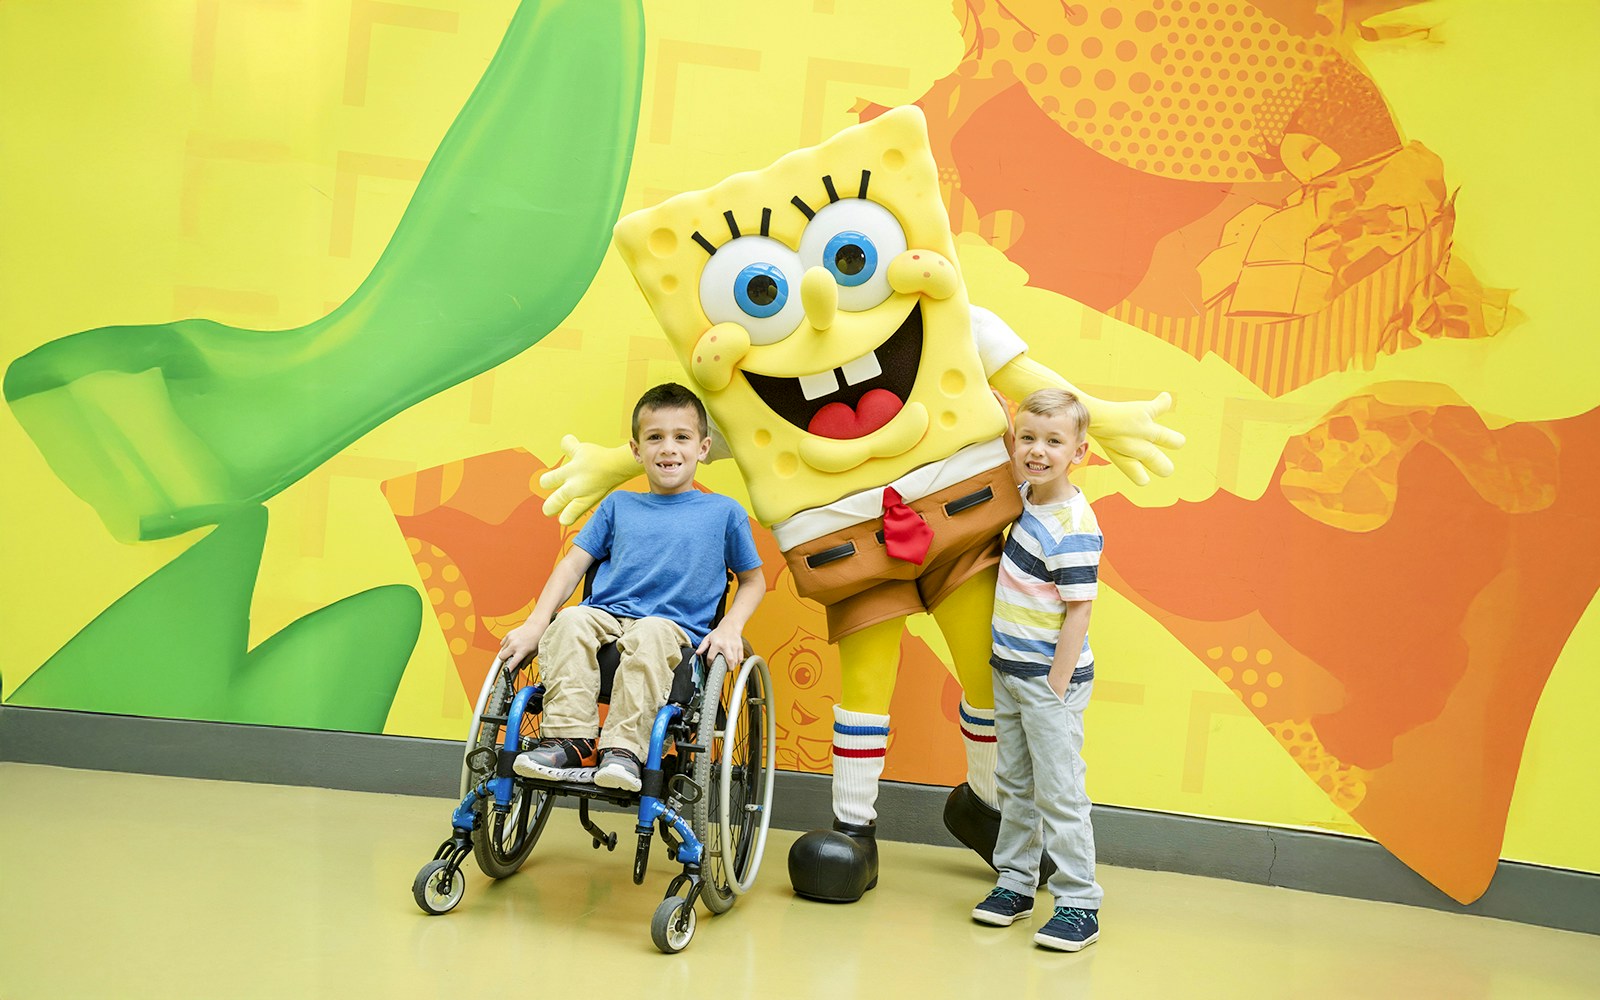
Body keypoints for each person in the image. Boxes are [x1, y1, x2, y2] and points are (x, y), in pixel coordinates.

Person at [496, 382, 764, 792]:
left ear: (704, 448)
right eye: (654, 438)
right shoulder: (618, 506)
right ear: (637, 451)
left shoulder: (724, 513)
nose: (668, 448)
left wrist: (730, 628)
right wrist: (536, 623)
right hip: (605, 617)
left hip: (672, 628)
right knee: (568, 622)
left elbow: (752, 581)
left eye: (681, 437)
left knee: (651, 633)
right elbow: (572, 567)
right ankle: (571, 740)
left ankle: (623, 750)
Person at [971, 388, 1104, 951]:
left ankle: (1078, 901)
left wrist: (1055, 684)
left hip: (1049, 680)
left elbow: (1080, 608)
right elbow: (1009, 440)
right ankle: (1016, 883)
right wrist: (1001, 412)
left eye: (1054, 442)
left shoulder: (1072, 524)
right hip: (1009, 670)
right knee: (1015, 783)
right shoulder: (1023, 495)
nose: (1037, 451)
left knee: (1060, 790)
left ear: (1080, 452)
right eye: (1029, 438)